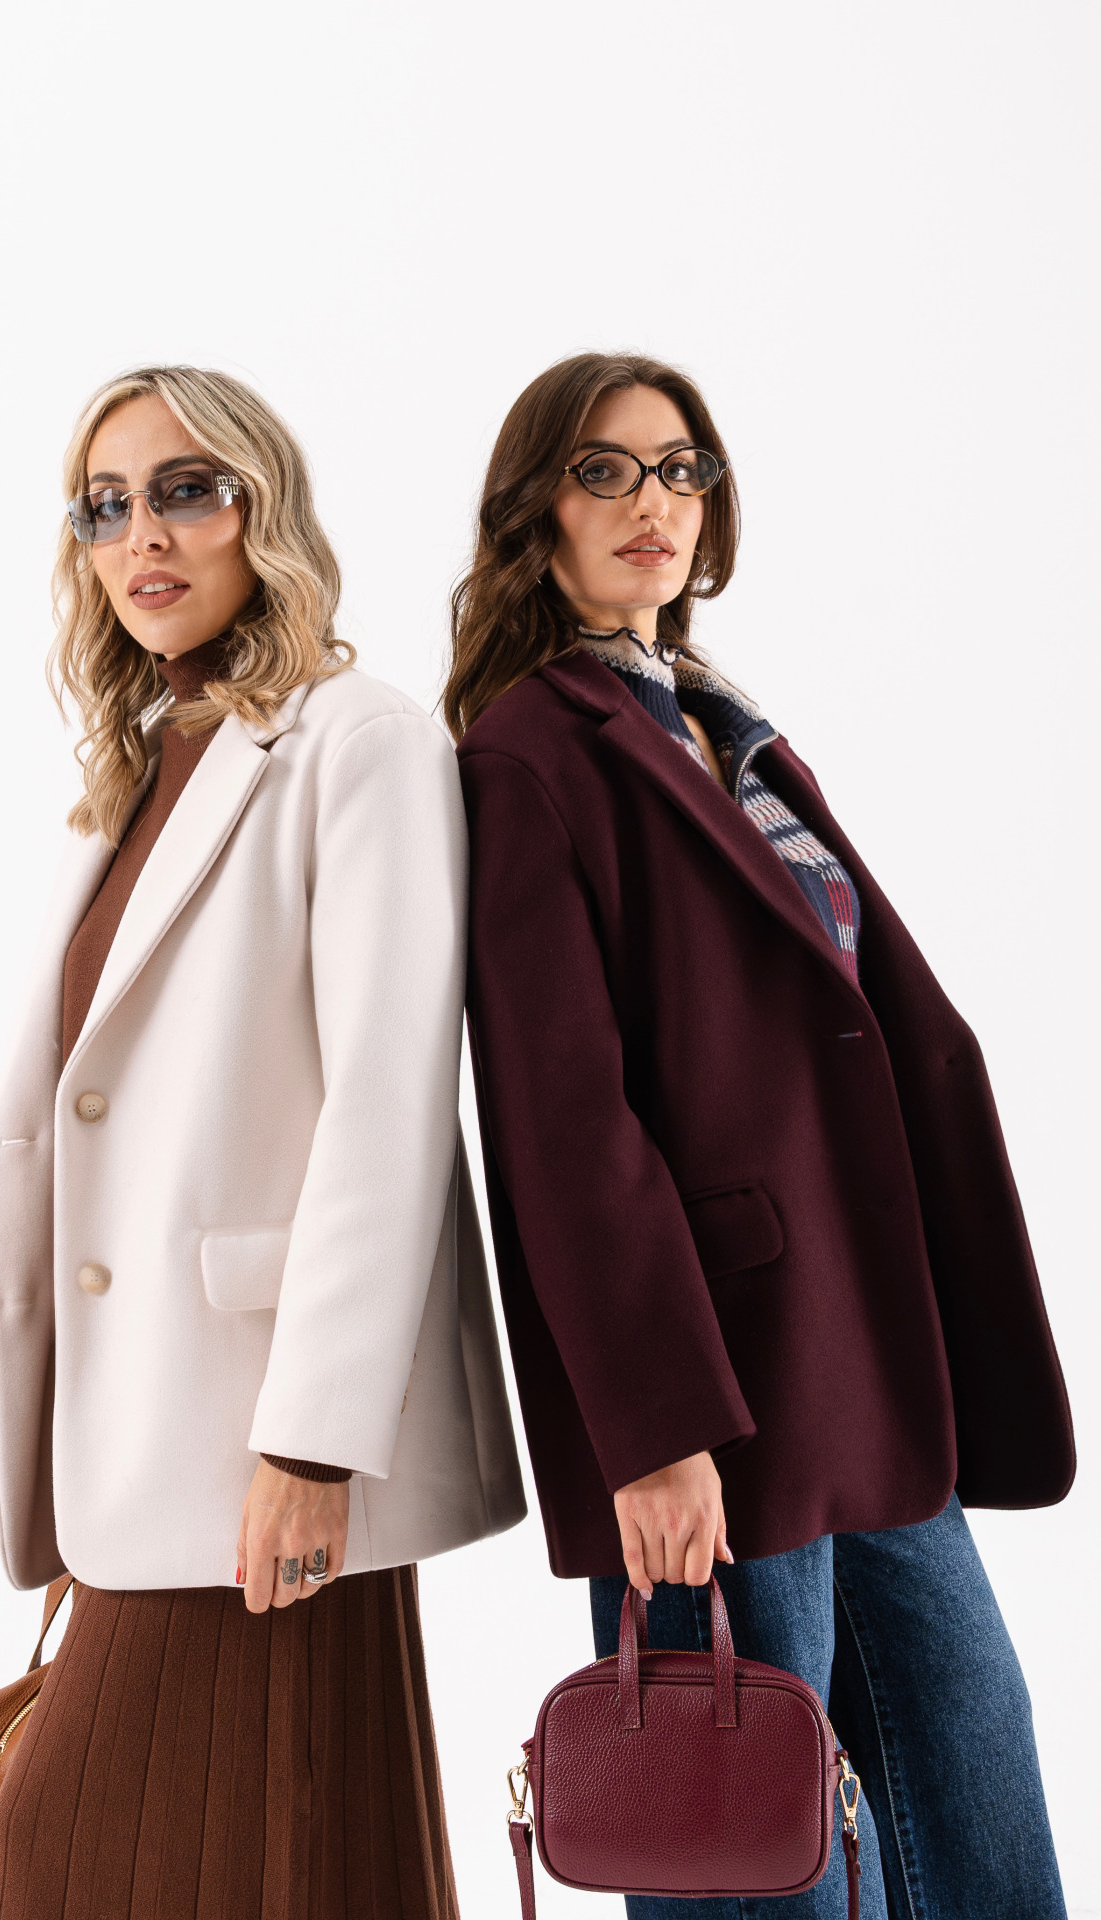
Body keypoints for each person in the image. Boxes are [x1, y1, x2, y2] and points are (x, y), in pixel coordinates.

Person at [446, 351, 1073, 1920]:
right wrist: (653, 1432)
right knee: (744, 1835)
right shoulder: (531, 753)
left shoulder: (722, 729)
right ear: (537, 515)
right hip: (715, 1380)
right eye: (604, 471)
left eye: (680, 469)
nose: (652, 502)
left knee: (970, 1770)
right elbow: (564, 1127)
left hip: (861, 1346)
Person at [0, 363, 524, 1920]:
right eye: (104, 507)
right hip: (148, 1441)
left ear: (261, 507)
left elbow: (389, 1099)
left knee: (88, 1858)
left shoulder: (359, 741)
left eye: (184, 490)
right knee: (305, 1863)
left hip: (263, 1445)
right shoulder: (137, 773)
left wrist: (311, 1444)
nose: (142, 535)